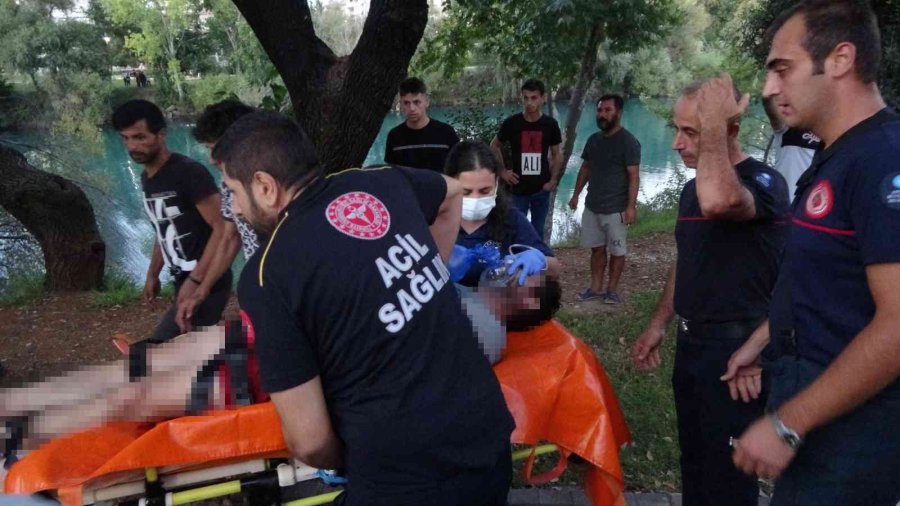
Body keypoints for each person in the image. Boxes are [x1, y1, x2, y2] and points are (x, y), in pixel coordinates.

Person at [214, 112, 515, 506]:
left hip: (405, 485)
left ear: (265, 187)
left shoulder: (268, 275)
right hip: (491, 448)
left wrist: (355, 462)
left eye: (232, 192)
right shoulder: (378, 180)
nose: (233, 208)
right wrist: (430, 278)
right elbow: (452, 193)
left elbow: (309, 441)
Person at [732, 2, 900, 503]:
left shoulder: (882, 161)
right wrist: (765, 338)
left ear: (841, 58)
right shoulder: (835, 157)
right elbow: (826, 279)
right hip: (816, 419)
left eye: (783, 69)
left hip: (853, 438)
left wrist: (787, 424)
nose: (769, 88)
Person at [630, 76, 789, 506]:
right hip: (693, 346)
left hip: (740, 356)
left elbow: (724, 202)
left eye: (692, 132)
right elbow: (688, 259)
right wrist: (660, 322)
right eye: (676, 130)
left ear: (727, 129)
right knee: (696, 464)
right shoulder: (689, 192)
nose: (677, 143)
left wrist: (717, 126)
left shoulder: (764, 182)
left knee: (728, 479)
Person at [112, 99, 231, 343]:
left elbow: (223, 228)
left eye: (139, 137)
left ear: (161, 134)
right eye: (126, 139)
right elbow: (164, 228)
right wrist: (153, 274)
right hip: (182, 278)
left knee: (165, 346)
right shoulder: (148, 179)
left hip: (208, 278)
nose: (132, 146)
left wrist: (197, 281)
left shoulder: (188, 172)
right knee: (188, 347)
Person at [176, 100, 260, 330]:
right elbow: (230, 236)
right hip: (259, 285)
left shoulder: (277, 180)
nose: (211, 159)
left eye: (215, 147)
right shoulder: (227, 182)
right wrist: (202, 289)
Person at [445, 140, 560, 287]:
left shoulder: (510, 218)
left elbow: (555, 268)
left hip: (495, 304)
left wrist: (541, 260)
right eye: (466, 191)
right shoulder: (434, 220)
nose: (475, 199)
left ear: (497, 184)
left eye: (485, 191)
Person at [569, 94, 641, 304]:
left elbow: (634, 176)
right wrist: (575, 195)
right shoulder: (594, 140)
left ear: (618, 112)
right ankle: (595, 287)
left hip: (616, 209)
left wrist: (631, 207)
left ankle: (612, 290)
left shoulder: (628, 142)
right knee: (597, 249)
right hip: (593, 207)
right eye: (600, 110)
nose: (602, 114)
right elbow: (585, 168)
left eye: (607, 110)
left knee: (617, 251)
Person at [490, 79, 563, 240]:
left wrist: (552, 180)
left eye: (534, 98)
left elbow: (557, 154)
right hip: (517, 189)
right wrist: (502, 171)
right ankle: (515, 263)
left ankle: (536, 263)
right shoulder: (512, 123)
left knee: (537, 232)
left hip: (541, 189)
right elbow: (494, 146)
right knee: (514, 230)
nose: (529, 102)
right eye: (526, 98)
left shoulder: (550, 124)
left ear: (543, 98)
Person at [384, 77, 460, 172]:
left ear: (426, 102)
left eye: (417, 102)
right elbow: (392, 173)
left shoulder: (446, 132)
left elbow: (459, 170)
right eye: (406, 103)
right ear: (401, 104)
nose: (412, 108)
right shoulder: (394, 136)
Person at [763, 96, 821, 198]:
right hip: (785, 204)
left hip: (815, 205)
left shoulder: (834, 135)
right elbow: (769, 103)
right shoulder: (786, 129)